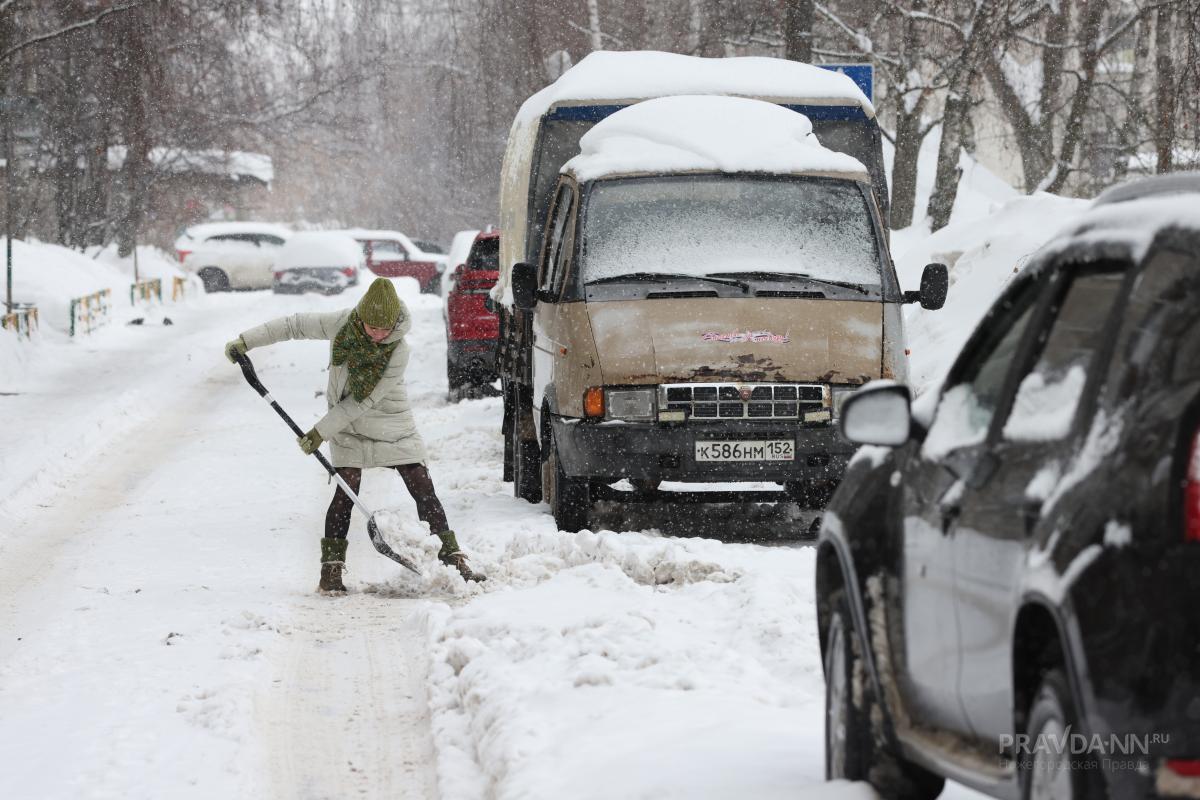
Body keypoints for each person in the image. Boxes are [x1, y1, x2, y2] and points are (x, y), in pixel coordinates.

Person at [224, 278, 484, 592]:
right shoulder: (341, 324)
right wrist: (245, 341)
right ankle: (330, 571)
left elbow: (364, 399)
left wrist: (321, 431)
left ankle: (453, 558)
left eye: (384, 329)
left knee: (422, 487)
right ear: (360, 318)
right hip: (347, 428)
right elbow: (293, 325)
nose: (378, 335)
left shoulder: (399, 350)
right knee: (345, 492)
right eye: (372, 327)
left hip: (393, 425)